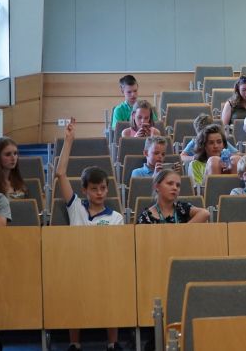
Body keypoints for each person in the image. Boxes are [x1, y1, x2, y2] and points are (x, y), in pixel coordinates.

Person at [55, 118, 123, 350]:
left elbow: (116, 248)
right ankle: (75, 344)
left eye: (103, 188)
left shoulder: (116, 217)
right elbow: (61, 173)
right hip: (77, 264)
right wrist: (68, 140)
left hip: (105, 266)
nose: (99, 193)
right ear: (84, 190)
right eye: (94, 189)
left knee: (112, 293)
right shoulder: (76, 207)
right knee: (74, 297)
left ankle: (113, 344)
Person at [136, 169, 208, 224]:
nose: (175, 188)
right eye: (170, 183)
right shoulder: (146, 216)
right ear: (157, 187)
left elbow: (205, 213)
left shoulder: (182, 208)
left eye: (178, 185)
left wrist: (184, 230)